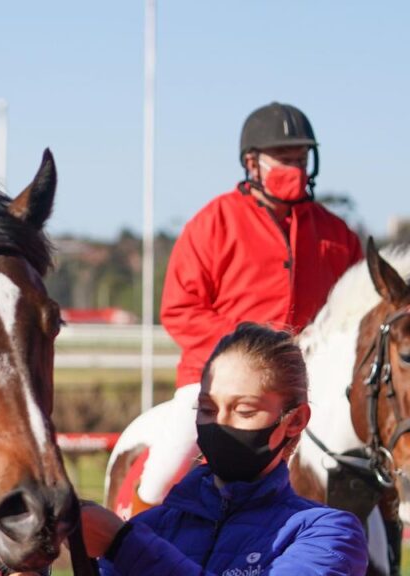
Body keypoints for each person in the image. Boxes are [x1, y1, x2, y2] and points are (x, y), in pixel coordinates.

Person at [135, 102, 364, 510]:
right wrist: (248, 355)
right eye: (284, 159)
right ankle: (129, 535)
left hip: (312, 385)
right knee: (161, 474)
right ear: (252, 163)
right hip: (215, 381)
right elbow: (179, 309)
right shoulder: (212, 223)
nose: (295, 167)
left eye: (301, 158)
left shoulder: (337, 234)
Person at [82, 323, 368, 575]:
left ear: (294, 420)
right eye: (207, 408)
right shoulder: (151, 527)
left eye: (243, 410)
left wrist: (123, 545)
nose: (219, 424)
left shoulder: (327, 533)